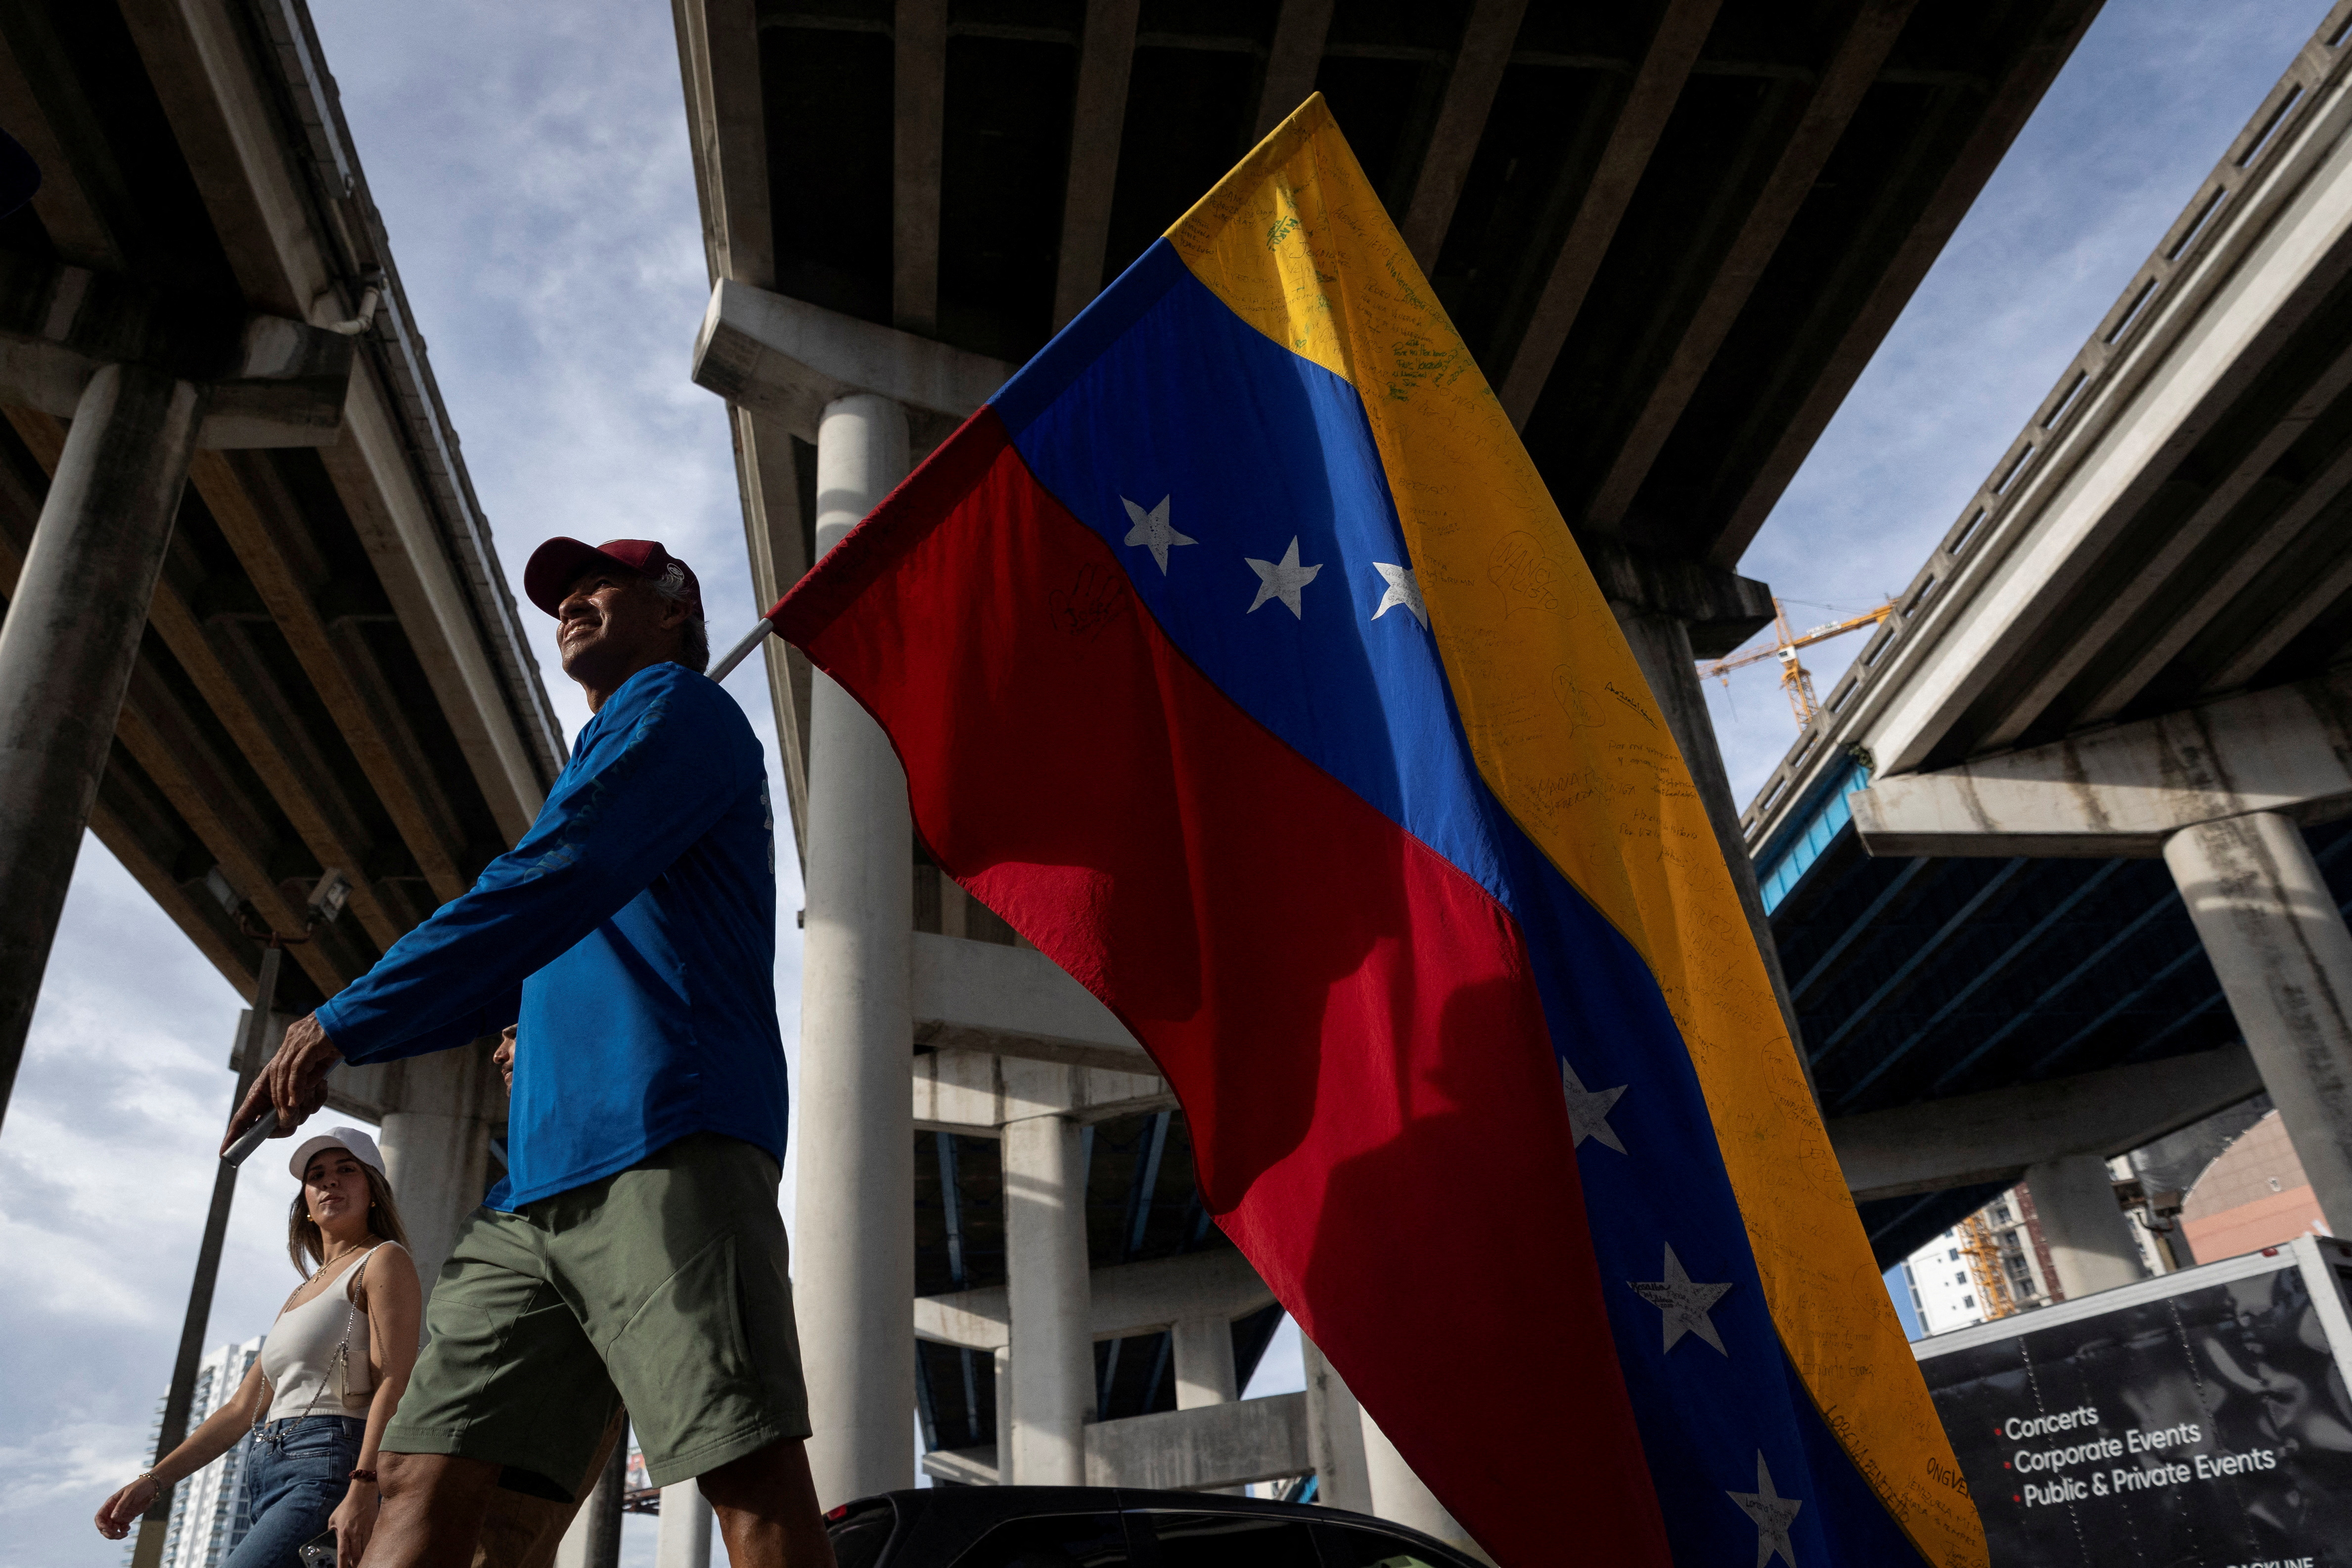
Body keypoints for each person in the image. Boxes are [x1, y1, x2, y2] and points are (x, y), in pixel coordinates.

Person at [221, 538, 834, 1568]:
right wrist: (530, 1034)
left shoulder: (677, 712)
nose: (573, 603)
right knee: (424, 1475)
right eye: (562, 594)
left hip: (663, 1142)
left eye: (604, 586)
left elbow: (557, 875)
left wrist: (346, 1017)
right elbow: (572, 922)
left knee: (742, 1465)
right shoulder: (597, 754)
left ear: (675, 612)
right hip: (530, 1194)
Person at [96, 1129, 422, 1568]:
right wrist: (153, 1482)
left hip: (330, 1466)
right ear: (304, 1204)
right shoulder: (298, 1295)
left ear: (373, 1192)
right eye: (317, 1175)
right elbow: (240, 1409)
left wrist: (364, 1484)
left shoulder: (383, 1259)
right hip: (267, 1470)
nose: (330, 1182)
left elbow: (393, 1380)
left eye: (347, 1170)